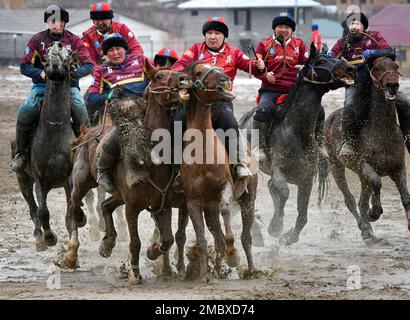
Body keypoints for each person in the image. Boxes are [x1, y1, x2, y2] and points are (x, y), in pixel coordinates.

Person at [172, 17, 265, 186]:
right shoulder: (194, 50)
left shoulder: (234, 52)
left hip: (220, 103)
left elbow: (252, 68)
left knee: (230, 123)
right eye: (209, 33)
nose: (212, 36)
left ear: (224, 36)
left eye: (217, 33)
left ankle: (239, 163)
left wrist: (259, 66)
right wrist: (184, 80)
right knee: (176, 122)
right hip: (196, 103)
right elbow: (178, 66)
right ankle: (175, 169)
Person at [10, 5, 93, 171]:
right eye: (52, 20)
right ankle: (21, 153)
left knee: (80, 109)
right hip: (42, 87)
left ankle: (87, 153)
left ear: (64, 22)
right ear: (48, 22)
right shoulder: (36, 40)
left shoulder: (75, 41)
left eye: (59, 20)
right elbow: (24, 66)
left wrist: (74, 74)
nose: (55, 24)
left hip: (68, 88)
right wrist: (39, 73)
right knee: (26, 110)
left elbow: (89, 65)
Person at [330, 12, 410, 158]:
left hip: (378, 83)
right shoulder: (342, 43)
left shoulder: (375, 36)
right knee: (349, 106)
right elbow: (330, 58)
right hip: (355, 84)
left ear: (364, 26)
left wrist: (373, 53)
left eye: (358, 24)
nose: (354, 26)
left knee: (405, 102)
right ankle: (349, 143)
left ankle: (408, 136)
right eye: (352, 24)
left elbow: (390, 53)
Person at [252, 13, 327, 155]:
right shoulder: (264, 44)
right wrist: (264, 73)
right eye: (280, 26)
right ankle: (259, 146)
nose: (283, 30)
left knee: (319, 109)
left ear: (292, 30)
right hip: (271, 90)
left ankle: (319, 142)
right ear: (275, 28)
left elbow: (308, 64)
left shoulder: (299, 45)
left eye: (287, 27)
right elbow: (256, 66)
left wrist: (304, 67)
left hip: (295, 90)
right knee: (263, 110)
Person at [87, 33, 149, 192]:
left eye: (118, 48)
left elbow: (157, 76)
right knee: (118, 135)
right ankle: (103, 171)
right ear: (106, 54)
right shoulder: (101, 71)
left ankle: (178, 171)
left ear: (125, 49)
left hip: (148, 109)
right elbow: (92, 97)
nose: (115, 53)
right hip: (122, 113)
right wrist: (108, 96)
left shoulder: (141, 61)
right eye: (110, 51)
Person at [82, 2, 144, 68]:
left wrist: (130, 65)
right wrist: (100, 73)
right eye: (97, 20)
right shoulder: (88, 36)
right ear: (93, 21)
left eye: (103, 19)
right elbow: (90, 60)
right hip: (103, 70)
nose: (100, 23)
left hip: (126, 66)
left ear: (110, 19)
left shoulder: (122, 28)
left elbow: (136, 49)